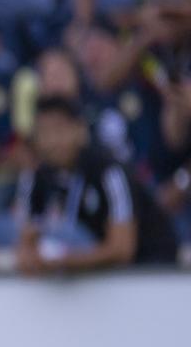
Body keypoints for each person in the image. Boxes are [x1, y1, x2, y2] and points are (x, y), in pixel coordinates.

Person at [15, 95, 178, 273]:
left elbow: (122, 250)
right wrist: (33, 255)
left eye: (59, 130)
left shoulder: (109, 172)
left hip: (150, 271)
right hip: (89, 275)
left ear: (80, 130)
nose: (52, 141)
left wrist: (64, 260)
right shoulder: (35, 178)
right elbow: (26, 243)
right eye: (44, 132)